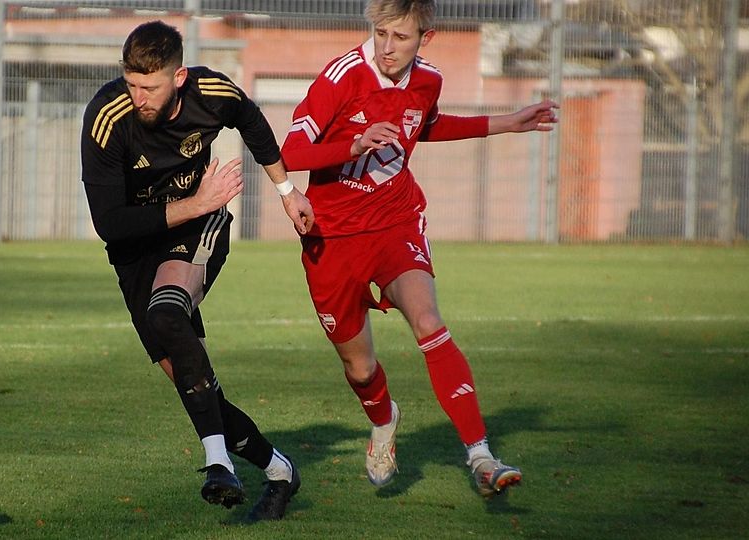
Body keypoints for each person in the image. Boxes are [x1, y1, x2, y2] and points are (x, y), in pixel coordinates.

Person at [280, 0, 557, 498]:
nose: (388, 47)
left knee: (428, 320)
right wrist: (354, 144)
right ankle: (385, 422)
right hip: (332, 237)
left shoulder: (428, 79)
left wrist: (504, 122)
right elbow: (291, 152)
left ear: (425, 37)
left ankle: (481, 456)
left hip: (394, 221)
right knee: (359, 367)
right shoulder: (342, 76)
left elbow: (423, 126)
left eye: (400, 38)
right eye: (381, 33)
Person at [80, 20, 313, 520]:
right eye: (131, 83)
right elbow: (109, 224)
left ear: (179, 77)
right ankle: (277, 469)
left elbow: (251, 121)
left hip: (198, 228)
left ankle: (216, 462)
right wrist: (196, 200)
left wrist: (286, 191)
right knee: (190, 378)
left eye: (151, 86)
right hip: (135, 249)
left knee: (167, 315)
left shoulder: (213, 93)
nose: (139, 96)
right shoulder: (106, 117)